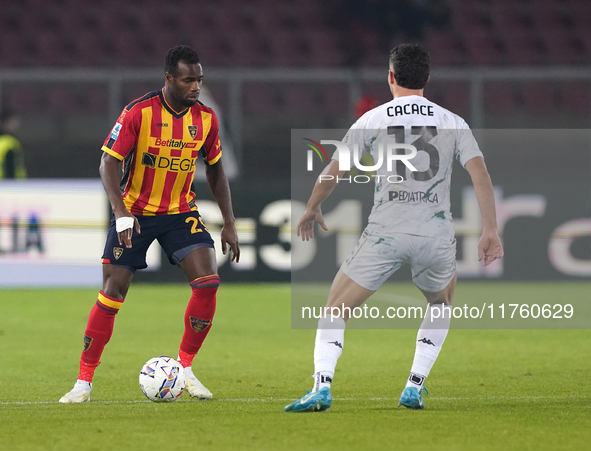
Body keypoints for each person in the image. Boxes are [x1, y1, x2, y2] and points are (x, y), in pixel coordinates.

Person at [285, 44, 503, 412]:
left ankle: (322, 386)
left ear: (390, 76)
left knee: (335, 308)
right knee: (441, 302)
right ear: (427, 79)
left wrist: (311, 207)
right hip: (435, 233)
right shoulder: (453, 122)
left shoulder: (373, 118)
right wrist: (490, 230)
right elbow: (479, 173)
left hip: (386, 231)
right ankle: (414, 386)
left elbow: (334, 171)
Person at [59, 45, 240, 403]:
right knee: (112, 293)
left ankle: (185, 369)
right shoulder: (139, 113)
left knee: (208, 283)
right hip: (136, 213)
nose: (196, 87)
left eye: (199, 80)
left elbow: (216, 169)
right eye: (189, 80)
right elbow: (107, 164)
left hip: (180, 213)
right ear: (169, 78)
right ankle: (83, 382)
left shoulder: (205, 119)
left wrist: (229, 221)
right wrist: (121, 212)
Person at [0, 110, 26, 179]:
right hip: (10, 186)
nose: (17, 125)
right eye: (14, 122)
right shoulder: (10, 143)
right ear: (6, 123)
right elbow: (11, 168)